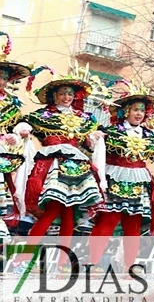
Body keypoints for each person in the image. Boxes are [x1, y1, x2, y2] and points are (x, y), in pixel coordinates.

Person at [13, 67, 106, 243]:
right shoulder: (43, 115)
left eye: (70, 94)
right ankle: (25, 256)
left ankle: (61, 260)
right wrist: (23, 130)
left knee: (68, 212)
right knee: (54, 209)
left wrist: (94, 138)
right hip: (52, 165)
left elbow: (92, 137)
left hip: (77, 166)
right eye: (62, 93)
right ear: (55, 95)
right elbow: (24, 123)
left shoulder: (84, 118)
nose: (66, 97)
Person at [89, 84, 154, 267]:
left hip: (139, 182)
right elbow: (92, 147)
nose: (139, 114)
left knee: (133, 227)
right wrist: (92, 139)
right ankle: (92, 264)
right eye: (135, 109)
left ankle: (128, 267)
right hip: (115, 179)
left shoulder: (148, 136)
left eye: (142, 110)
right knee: (107, 223)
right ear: (126, 111)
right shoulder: (111, 131)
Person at [0, 35, 30, 224]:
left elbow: (16, 127)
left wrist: (16, 135)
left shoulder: (11, 106)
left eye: (3, 78)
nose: (0, 81)